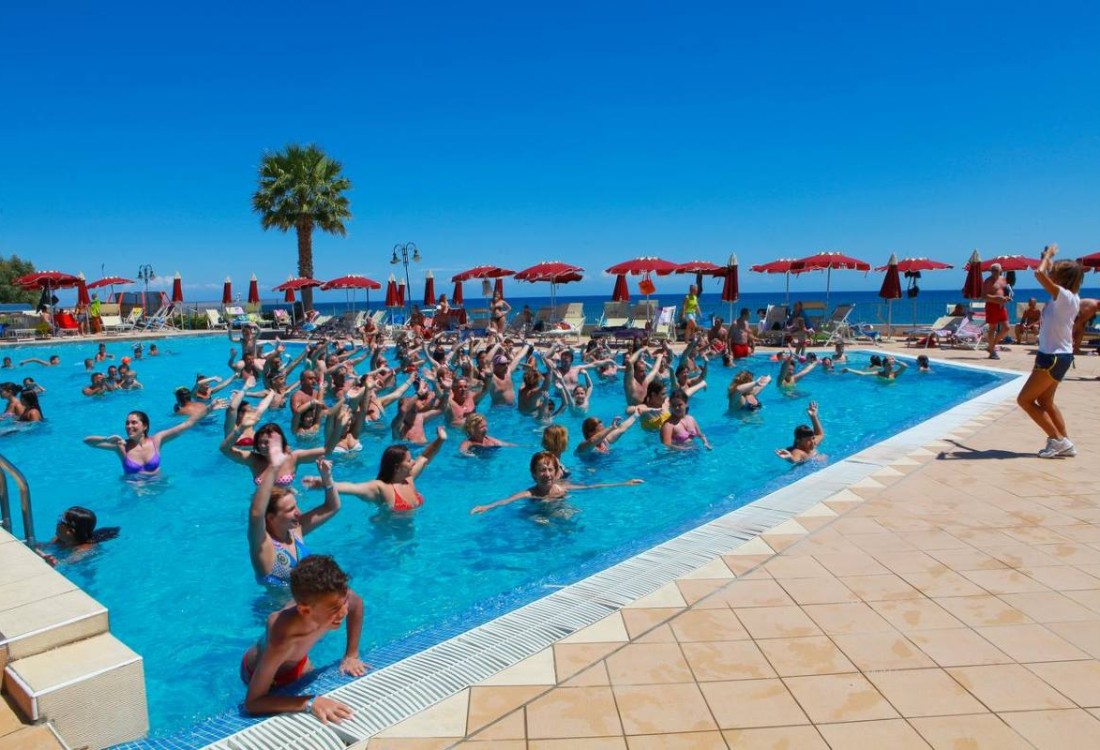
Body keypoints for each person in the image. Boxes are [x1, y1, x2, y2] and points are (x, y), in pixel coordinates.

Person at [241, 555, 366, 721]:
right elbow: (253, 703)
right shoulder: (283, 638)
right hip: (264, 673)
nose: (344, 611)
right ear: (305, 611)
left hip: (298, 661)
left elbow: (356, 604)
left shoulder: (333, 596)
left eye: (344, 602)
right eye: (335, 609)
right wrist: (310, 702)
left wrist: (351, 654)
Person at [1016, 245, 1084, 458]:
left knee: (1024, 400)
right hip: (1059, 355)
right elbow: (1046, 272)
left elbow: (1039, 273)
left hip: (1052, 357)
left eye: (1054, 271)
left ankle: (1057, 440)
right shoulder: (1069, 297)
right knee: (1045, 402)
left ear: (1062, 278)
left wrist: (1047, 256)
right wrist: (1047, 259)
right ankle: (1065, 443)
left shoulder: (1063, 296)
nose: (1050, 272)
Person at [250, 458, 342, 586]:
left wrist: (327, 477)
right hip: (281, 600)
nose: (298, 512)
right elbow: (256, 514)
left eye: (296, 506)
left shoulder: (295, 531)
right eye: (290, 509)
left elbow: (332, 507)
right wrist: (273, 468)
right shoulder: (264, 545)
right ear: (271, 518)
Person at [470, 451, 643, 515]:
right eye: (542, 470)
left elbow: (591, 487)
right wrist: (487, 507)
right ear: (534, 474)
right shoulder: (530, 494)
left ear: (556, 472)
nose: (546, 474)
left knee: (573, 515)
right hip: (537, 514)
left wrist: (625, 483)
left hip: (559, 507)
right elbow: (507, 500)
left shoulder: (562, 487)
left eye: (550, 470)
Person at [319, 427, 447, 512]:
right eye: (409, 461)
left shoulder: (409, 479)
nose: (413, 462)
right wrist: (323, 481)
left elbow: (425, 457)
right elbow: (352, 488)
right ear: (397, 467)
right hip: (390, 539)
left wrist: (441, 439)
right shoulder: (381, 487)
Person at [84, 407, 209, 476]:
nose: (129, 426)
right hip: (134, 493)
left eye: (134, 422)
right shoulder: (121, 446)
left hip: (159, 487)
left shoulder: (157, 440)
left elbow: (187, 424)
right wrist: (106, 438)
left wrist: (209, 408)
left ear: (144, 426)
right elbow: (87, 441)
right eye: (127, 423)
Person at [38, 506, 120, 566]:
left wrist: (55, 563)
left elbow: (69, 562)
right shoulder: (59, 539)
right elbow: (43, 546)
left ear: (71, 531)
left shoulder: (84, 548)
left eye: (61, 521)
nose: (57, 523)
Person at [983, 263, 1011, 359]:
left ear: (1000, 271)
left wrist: (1006, 297)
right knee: (992, 328)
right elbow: (984, 296)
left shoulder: (1003, 279)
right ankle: (992, 352)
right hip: (991, 306)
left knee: (1006, 328)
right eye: (993, 270)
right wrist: (996, 298)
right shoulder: (988, 281)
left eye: (996, 270)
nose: (994, 272)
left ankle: (991, 347)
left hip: (1001, 306)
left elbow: (1005, 291)